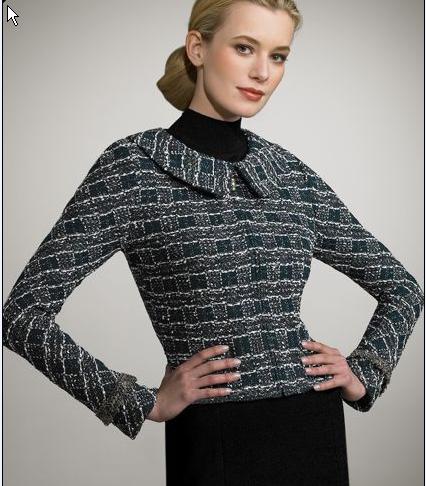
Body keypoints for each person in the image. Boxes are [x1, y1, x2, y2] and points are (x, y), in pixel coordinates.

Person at [3, 1, 424, 485]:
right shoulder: (133, 169)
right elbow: (22, 315)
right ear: (197, 48)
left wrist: (364, 371)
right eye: (244, 48)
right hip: (215, 437)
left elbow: (403, 289)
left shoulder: (287, 174)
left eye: (278, 56)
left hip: (314, 429)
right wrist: (135, 401)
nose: (262, 71)